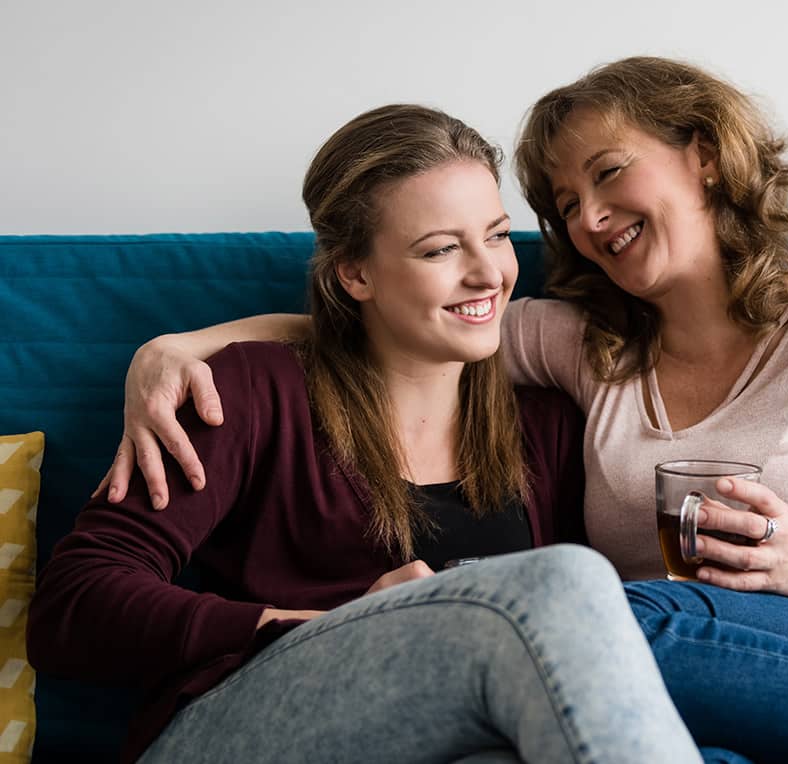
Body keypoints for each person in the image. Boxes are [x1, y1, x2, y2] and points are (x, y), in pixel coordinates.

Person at [106, 59, 788, 762]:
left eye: (608, 174)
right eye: (565, 203)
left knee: (588, 609)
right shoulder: (581, 350)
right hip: (692, 688)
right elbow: (404, 321)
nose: (589, 218)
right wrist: (178, 349)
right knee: (572, 642)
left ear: (707, 158)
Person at [27, 104, 703, 764]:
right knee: (562, 581)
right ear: (355, 273)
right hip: (238, 726)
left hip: (450, 730)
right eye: (440, 248)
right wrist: (330, 627)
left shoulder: (545, 424)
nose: (487, 273)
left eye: (496, 235)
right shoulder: (250, 390)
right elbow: (74, 603)